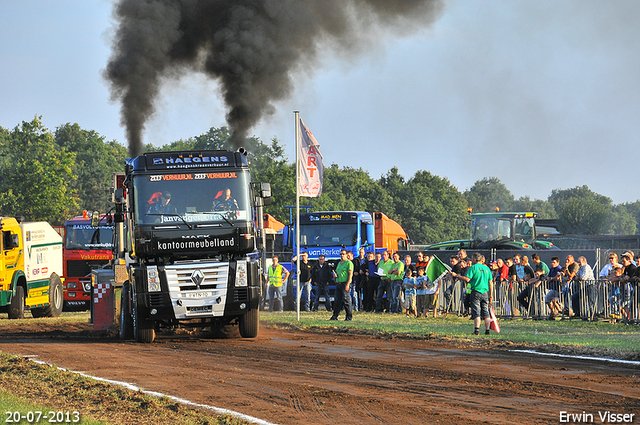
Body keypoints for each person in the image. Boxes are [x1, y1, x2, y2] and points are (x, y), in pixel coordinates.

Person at [454, 252, 494, 335]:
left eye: (472, 259)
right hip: (485, 292)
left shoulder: (473, 268)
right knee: (486, 312)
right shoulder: (487, 269)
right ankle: (487, 331)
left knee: (476, 312)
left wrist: (457, 276)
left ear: (475, 259)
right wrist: (491, 295)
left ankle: (477, 330)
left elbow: (467, 279)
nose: (471, 261)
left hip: (476, 291)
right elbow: (490, 283)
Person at [330, 249, 353, 321]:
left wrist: (348, 284)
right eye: (341, 254)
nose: (342, 255)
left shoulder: (349, 263)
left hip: (345, 283)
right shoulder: (339, 263)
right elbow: (337, 272)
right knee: (337, 301)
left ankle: (348, 316)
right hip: (338, 283)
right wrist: (335, 276)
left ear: (346, 255)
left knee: (346, 300)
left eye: (343, 254)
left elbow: (350, 274)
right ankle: (335, 316)